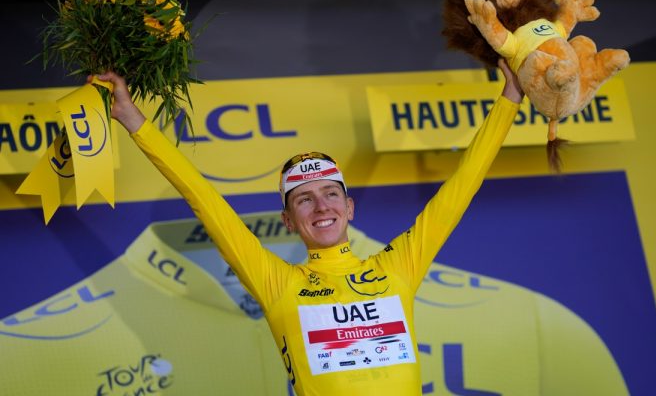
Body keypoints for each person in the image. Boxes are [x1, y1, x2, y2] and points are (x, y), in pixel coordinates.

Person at [97, 56, 523, 396]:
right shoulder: (277, 284)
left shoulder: (397, 268)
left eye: (331, 194)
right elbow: (205, 200)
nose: (321, 206)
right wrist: (136, 123)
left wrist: (509, 98)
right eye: (305, 198)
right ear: (288, 219)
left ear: (349, 207)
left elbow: (462, 186)